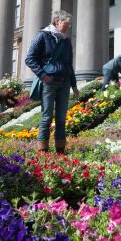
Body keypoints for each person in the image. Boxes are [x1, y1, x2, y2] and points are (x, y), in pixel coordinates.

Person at [25, 10, 79, 154]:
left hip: (65, 82)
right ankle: (42, 151)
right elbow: (29, 59)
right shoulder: (42, 36)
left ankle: (60, 151)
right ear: (56, 22)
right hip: (49, 82)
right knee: (47, 117)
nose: (68, 27)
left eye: (69, 25)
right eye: (65, 24)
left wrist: (74, 85)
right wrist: (43, 75)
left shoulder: (66, 41)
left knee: (61, 118)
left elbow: (69, 65)